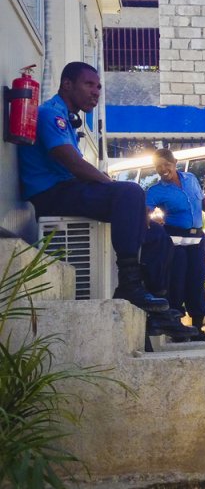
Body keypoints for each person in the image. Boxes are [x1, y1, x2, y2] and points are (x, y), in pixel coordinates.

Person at [17, 62, 196, 340]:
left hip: (69, 190)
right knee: (130, 192)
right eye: (89, 85)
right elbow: (73, 164)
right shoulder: (50, 115)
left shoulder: (66, 117)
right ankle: (129, 284)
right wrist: (113, 186)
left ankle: (160, 312)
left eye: (98, 86)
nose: (96, 92)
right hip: (50, 194)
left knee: (158, 234)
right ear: (67, 84)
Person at [146, 148, 205, 342]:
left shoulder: (191, 178)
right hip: (175, 241)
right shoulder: (156, 190)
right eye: (158, 167)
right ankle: (177, 328)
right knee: (176, 282)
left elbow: (201, 199)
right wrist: (152, 220)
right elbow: (146, 211)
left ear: (174, 163)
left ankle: (198, 328)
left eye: (166, 165)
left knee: (196, 281)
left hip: (196, 240)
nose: (163, 170)